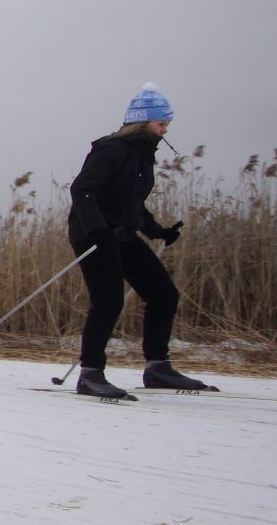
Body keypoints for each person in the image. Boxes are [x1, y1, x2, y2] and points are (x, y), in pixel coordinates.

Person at [66, 83, 211, 397]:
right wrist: (98, 231)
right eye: (161, 124)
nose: (165, 131)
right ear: (142, 123)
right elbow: (83, 190)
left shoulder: (142, 156)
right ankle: (91, 374)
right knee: (108, 300)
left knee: (163, 294)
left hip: (122, 235)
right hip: (94, 235)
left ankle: (158, 367)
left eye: (167, 125)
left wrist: (158, 231)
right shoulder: (111, 149)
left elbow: (131, 203)